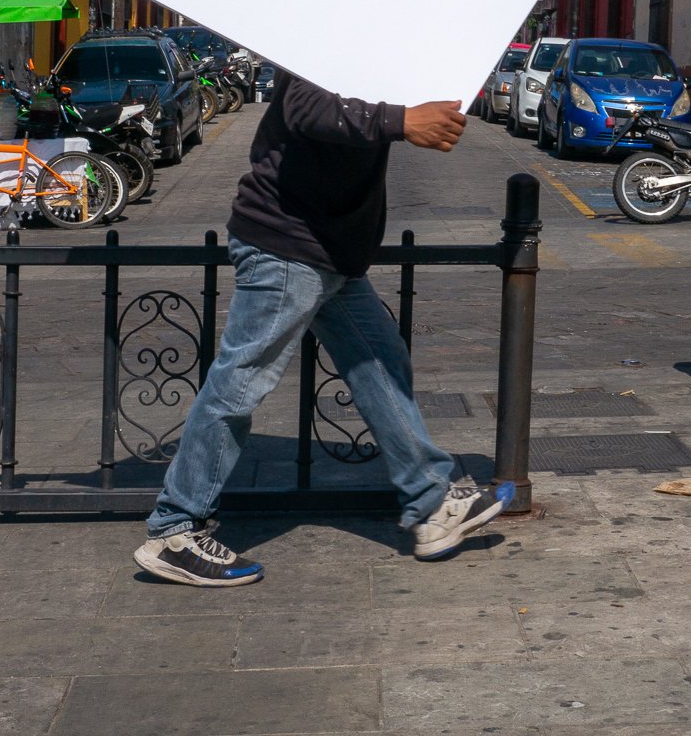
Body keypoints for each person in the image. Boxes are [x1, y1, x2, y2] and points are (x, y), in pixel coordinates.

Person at [132, 71, 510, 588]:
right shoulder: (322, 42)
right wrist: (404, 121)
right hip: (287, 248)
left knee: (380, 364)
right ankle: (174, 530)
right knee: (241, 382)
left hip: (328, 256)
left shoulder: (371, 44)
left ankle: (432, 502)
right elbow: (309, 109)